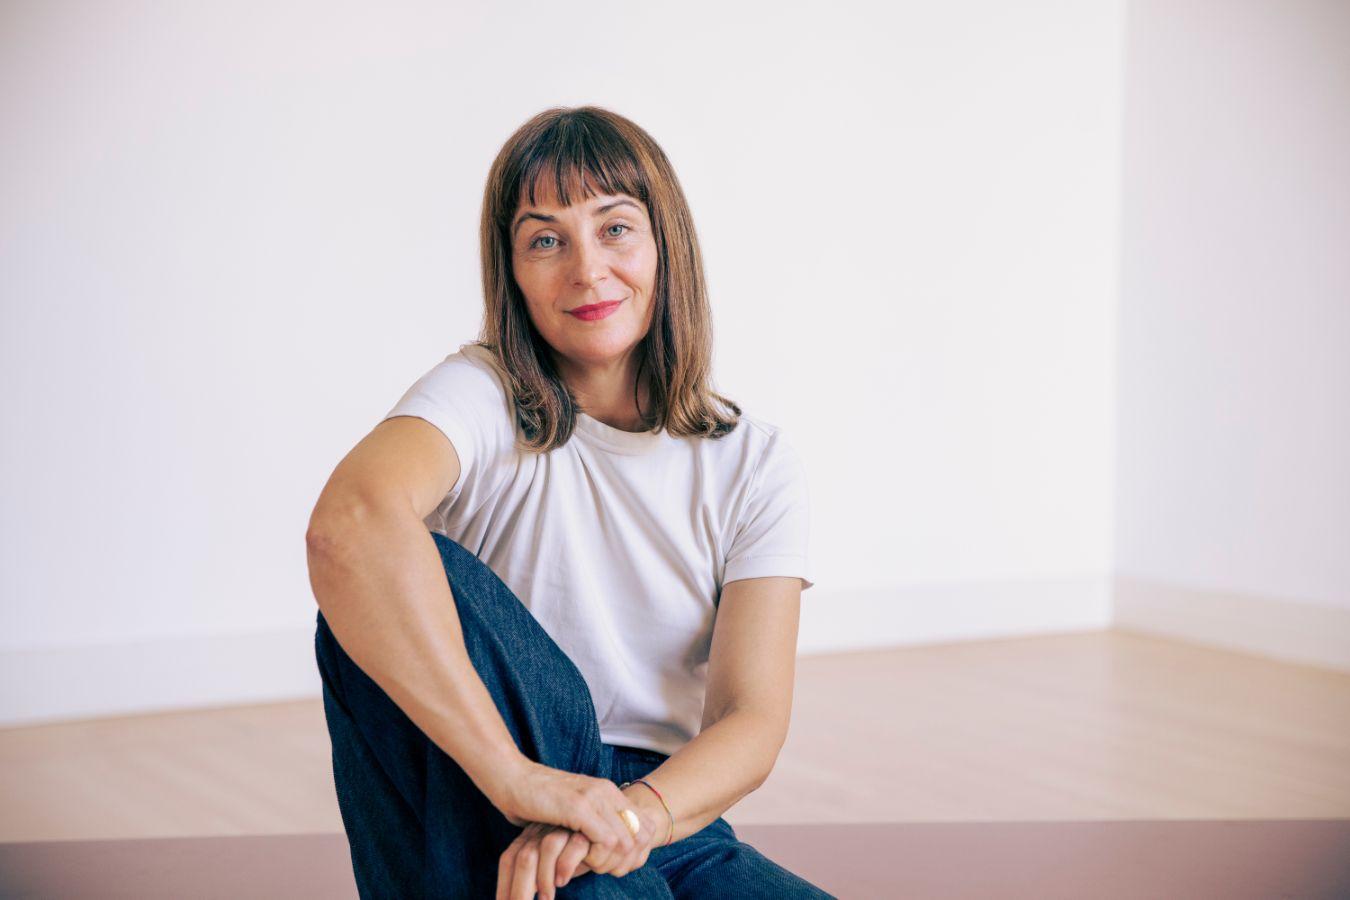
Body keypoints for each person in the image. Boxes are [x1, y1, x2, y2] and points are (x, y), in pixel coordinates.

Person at [306, 106, 833, 900]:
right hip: (487, 796)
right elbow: (348, 524)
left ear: (665, 246)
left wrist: (630, 820)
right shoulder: (481, 395)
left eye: (615, 229)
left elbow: (750, 720)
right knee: (394, 553)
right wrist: (522, 783)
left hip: (662, 812)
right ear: (513, 272)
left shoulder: (754, 462)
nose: (587, 270)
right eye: (546, 240)